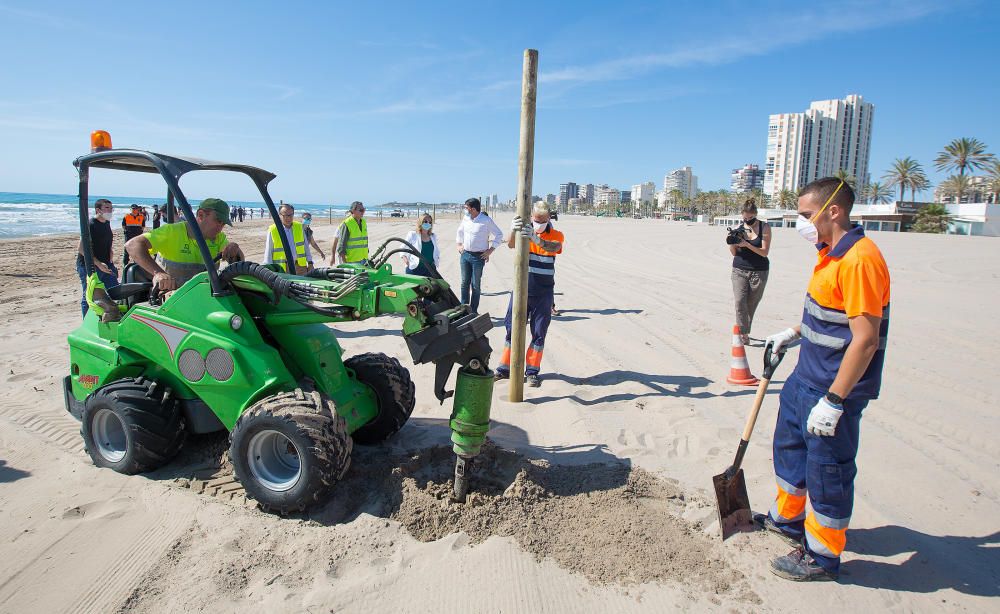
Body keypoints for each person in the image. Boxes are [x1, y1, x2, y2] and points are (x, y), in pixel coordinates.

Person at [759, 178, 891, 582]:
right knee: (790, 450)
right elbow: (828, 314)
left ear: (833, 211)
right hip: (805, 378)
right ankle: (788, 519)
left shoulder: (861, 259)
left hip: (833, 387)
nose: (801, 223)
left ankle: (821, 553)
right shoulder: (829, 253)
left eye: (804, 215)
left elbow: (865, 339)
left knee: (827, 469)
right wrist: (793, 334)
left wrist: (835, 401)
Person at [494, 202, 564, 387]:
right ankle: (504, 369)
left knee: (539, 333)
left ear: (549, 218)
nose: (539, 223)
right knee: (512, 329)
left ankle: (532, 372)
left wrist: (536, 239)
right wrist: (513, 230)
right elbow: (510, 245)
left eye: (542, 220)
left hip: (544, 292)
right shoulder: (524, 232)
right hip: (521, 289)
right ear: (531, 216)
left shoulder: (556, 235)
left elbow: (553, 247)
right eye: (536, 220)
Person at [125, 198, 244, 292]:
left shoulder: (218, 238)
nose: (220, 227)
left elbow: (238, 260)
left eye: (223, 223)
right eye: (218, 221)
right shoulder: (172, 232)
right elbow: (132, 245)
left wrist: (235, 248)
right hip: (171, 297)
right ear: (201, 215)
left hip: (203, 296)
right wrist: (158, 273)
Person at [730, 198, 771, 345]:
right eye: (745, 218)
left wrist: (747, 244)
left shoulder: (764, 227)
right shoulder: (739, 227)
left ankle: (745, 329)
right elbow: (734, 253)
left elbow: (764, 252)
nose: (748, 220)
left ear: (755, 214)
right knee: (740, 302)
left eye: (750, 218)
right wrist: (733, 242)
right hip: (739, 269)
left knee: (751, 304)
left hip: (759, 271)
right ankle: (743, 333)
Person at [455, 197, 503, 313]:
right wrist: (459, 244)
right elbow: (460, 231)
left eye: (466, 208)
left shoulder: (486, 220)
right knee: (464, 283)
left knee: (475, 285)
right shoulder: (466, 218)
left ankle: (473, 310)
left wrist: (490, 250)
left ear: (473, 209)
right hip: (465, 255)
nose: (465, 210)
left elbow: (499, 235)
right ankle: (464, 308)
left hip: (478, 257)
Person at [76, 199, 120, 317]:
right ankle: (86, 320)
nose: (110, 211)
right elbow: (81, 248)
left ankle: (113, 315)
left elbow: (106, 238)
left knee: (115, 290)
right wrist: (98, 263)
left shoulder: (106, 222)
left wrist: (110, 250)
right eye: (106, 208)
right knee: (89, 294)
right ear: (98, 210)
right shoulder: (90, 225)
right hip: (89, 265)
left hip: (106, 264)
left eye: (111, 208)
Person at [264, 203, 311, 274]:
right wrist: (269, 269)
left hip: (300, 266)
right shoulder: (273, 229)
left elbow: (306, 247)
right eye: (285, 215)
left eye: (290, 215)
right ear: (279, 215)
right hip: (282, 268)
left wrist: (310, 263)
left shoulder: (299, 227)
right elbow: (268, 252)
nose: (288, 218)